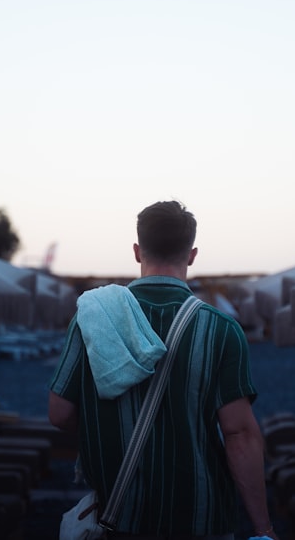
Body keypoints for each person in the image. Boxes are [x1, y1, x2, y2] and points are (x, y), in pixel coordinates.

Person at [48, 201, 278, 540]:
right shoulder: (221, 329)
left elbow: (60, 413)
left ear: (137, 251)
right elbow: (239, 435)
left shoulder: (92, 317)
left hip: (118, 512)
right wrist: (264, 527)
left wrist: (108, 428)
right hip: (199, 517)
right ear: (192, 254)